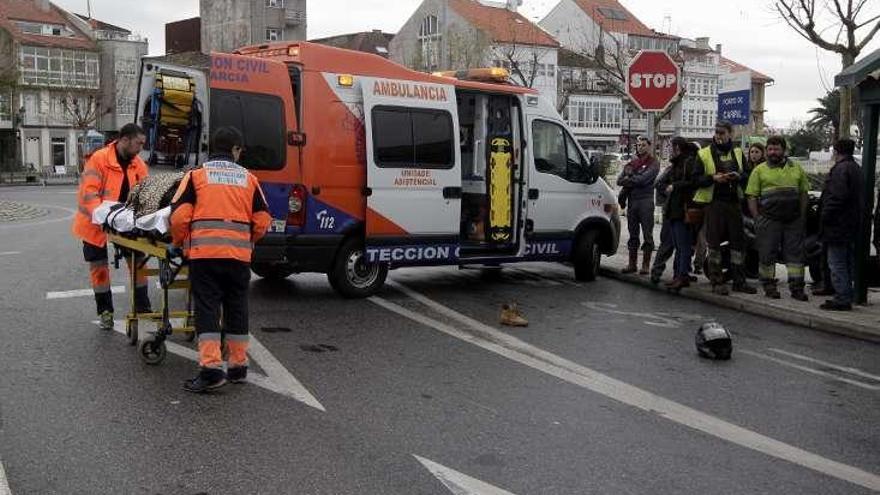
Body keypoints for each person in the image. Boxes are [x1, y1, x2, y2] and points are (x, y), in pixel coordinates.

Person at [170, 127, 272, 392]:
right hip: (238, 257)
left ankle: (211, 370)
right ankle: (238, 367)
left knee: (208, 310)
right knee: (237, 309)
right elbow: (262, 220)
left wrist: (180, 243)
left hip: (205, 257)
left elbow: (179, 217)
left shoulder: (196, 177)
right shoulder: (249, 179)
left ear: (211, 148)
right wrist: (247, 241)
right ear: (235, 150)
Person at [71, 123, 152, 330]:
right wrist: (104, 217)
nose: (141, 148)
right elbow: (89, 194)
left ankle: (143, 307)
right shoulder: (99, 159)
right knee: (99, 267)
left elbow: (146, 195)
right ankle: (105, 311)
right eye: (138, 143)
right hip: (94, 221)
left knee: (138, 262)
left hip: (124, 222)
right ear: (124, 140)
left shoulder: (138, 165)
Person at [692, 121, 757, 295]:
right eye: (717, 132)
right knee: (713, 244)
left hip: (734, 203)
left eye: (722, 133)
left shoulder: (737, 152)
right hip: (714, 204)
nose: (718, 135)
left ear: (731, 134)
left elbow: (747, 176)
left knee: (738, 244)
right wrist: (713, 178)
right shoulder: (704, 153)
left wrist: (738, 176)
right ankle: (716, 280)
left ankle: (739, 281)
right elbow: (696, 179)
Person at [745, 136, 810, 301]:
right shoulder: (759, 170)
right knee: (767, 255)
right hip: (768, 220)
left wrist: (802, 216)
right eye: (770, 149)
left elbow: (803, 193)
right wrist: (757, 218)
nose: (773, 152)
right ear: (766, 151)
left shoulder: (796, 168)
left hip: (793, 220)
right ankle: (769, 286)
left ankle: (797, 289)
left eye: (777, 149)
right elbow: (751, 196)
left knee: (795, 256)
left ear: (784, 150)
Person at [818, 138, 864, 311]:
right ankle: (846, 294)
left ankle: (842, 298)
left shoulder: (841, 169)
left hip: (837, 225)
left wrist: (825, 215)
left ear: (836, 151)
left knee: (836, 262)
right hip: (850, 223)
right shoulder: (855, 168)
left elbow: (836, 197)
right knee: (846, 261)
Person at [617, 136, 660, 275]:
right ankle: (632, 264)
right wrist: (632, 179)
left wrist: (629, 178)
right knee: (632, 233)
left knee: (647, 234)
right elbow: (619, 180)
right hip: (632, 201)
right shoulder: (631, 163)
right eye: (638, 145)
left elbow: (644, 179)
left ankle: (646, 265)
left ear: (649, 146)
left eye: (643, 145)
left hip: (645, 201)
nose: (640, 147)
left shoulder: (654, 163)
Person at [662, 137, 697, 291]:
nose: (669, 149)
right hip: (674, 209)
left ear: (678, 148)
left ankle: (682, 276)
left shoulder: (688, 163)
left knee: (683, 246)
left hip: (683, 209)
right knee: (679, 245)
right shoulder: (677, 163)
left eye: (671, 147)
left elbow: (693, 182)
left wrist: (674, 186)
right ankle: (678, 275)